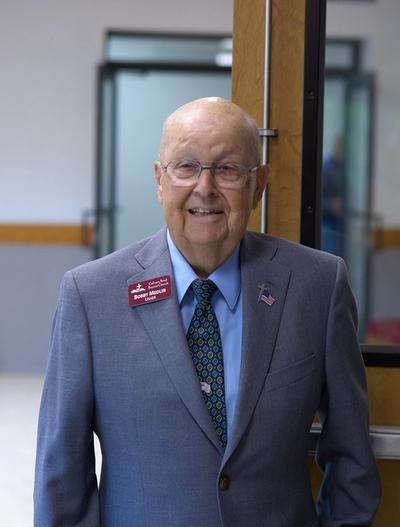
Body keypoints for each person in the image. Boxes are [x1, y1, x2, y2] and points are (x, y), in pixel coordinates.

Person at [34, 97, 380, 526]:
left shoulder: (317, 285)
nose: (205, 187)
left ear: (259, 186)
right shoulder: (90, 296)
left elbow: (351, 456)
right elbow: (61, 478)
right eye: (186, 166)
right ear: (160, 180)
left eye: (228, 168)